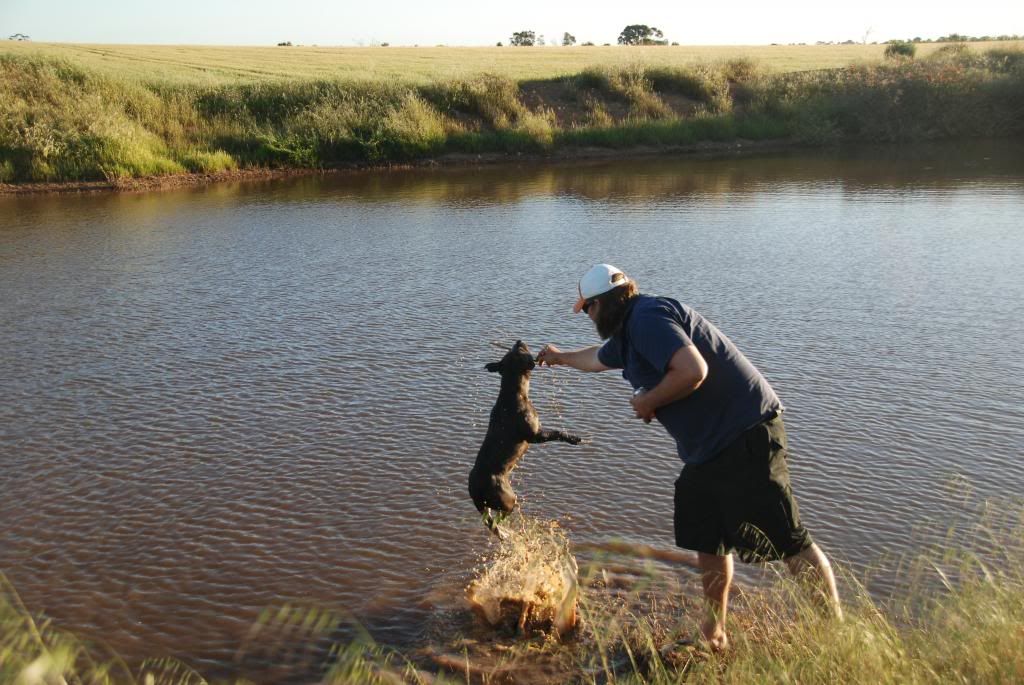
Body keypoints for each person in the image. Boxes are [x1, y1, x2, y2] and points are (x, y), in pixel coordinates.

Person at [537, 263, 841, 651]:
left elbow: (692, 370)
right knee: (707, 538)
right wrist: (559, 357)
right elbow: (598, 358)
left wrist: (648, 400)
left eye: (589, 310)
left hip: (744, 436)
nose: (589, 318)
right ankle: (714, 636)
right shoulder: (629, 331)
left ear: (603, 304)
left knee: (789, 539)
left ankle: (836, 636)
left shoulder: (647, 319)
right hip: (708, 451)